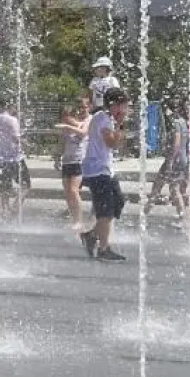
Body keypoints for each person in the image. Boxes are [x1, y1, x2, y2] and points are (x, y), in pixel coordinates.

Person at [80, 88, 129, 262]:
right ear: (115, 105)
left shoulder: (106, 118)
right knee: (106, 210)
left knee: (117, 203)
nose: (126, 109)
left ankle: (92, 235)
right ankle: (103, 248)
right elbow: (112, 143)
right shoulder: (103, 119)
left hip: (105, 169)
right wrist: (121, 124)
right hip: (98, 170)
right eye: (124, 105)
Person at [146, 97, 190, 222]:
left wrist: (170, 161)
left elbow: (176, 142)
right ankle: (182, 216)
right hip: (181, 159)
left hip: (173, 160)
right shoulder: (183, 121)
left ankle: (145, 214)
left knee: (158, 187)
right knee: (174, 188)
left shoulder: (175, 122)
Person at [0, 97, 30, 214]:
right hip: (14, 158)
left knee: (4, 186)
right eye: (15, 106)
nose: (16, 109)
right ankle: (15, 207)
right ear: (9, 106)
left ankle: (4, 210)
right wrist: (26, 144)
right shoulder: (12, 120)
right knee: (25, 185)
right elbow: (16, 138)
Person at [55, 97, 91, 230]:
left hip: (79, 160)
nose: (64, 119)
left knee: (74, 191)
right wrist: (57, 156)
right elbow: (62, 142)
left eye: (66, 117)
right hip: (67, 161)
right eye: (63, 118)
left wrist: (67, 126)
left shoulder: (84, 123)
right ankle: (73, 218)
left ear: (72, 116)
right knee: (67, 192)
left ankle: (79, 220)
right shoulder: (66, 128)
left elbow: (83, 133)